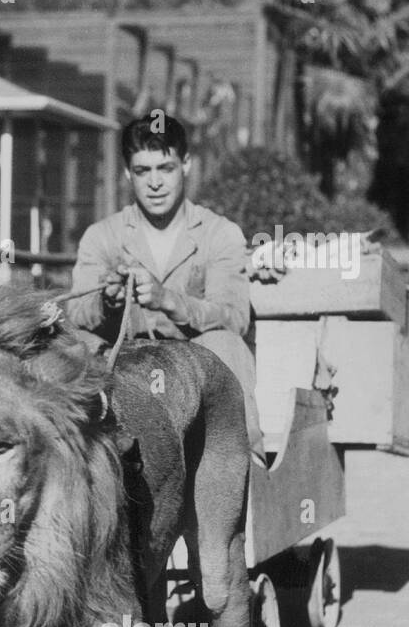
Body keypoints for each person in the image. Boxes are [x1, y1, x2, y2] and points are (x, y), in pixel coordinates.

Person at [64, 113, 265, 460]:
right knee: (71, 348)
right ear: (128, 173)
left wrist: (167, 300)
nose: (155, 183)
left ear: (186, 165)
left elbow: (235, 318)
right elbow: (76, 314)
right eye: (143, 171)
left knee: (228, 345)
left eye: (166, 168)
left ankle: (248, 466)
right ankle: (74, 466)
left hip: (197, 369)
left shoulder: (219, 232)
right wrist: (107, 301)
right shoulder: (102, 236)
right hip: (129, 368)